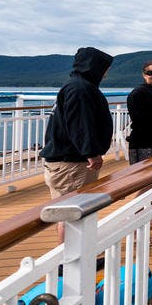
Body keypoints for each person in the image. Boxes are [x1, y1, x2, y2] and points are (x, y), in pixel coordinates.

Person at [40, 47, 114, 243]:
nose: (106, 72)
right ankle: (69, 261)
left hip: (70, 162)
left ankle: (76, 257)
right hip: (73, 165)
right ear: (94, 66)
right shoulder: (79, 89)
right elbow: (79, 124)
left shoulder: (77, 86)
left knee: (70, 212)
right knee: (72, 214)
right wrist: (91, 153)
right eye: (104, 67)